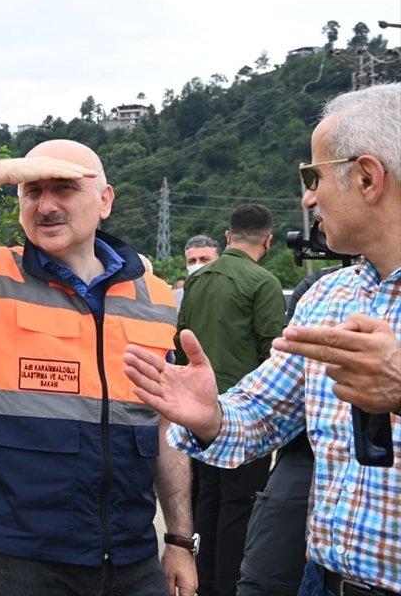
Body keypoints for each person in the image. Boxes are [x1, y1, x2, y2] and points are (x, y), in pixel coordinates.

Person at [0, 139, 197, 596]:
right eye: (32, 191)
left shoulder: (153, 297)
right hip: (16, 559)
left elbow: (165, 428)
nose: (46, 205)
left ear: (104, 200)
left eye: (64, 188)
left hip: (130, 557)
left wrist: (178, 540)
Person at [124, 82, 401, 596]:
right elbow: (265, 410)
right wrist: (211, 415)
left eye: (313, 176)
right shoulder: (328, 296)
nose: (307, 197)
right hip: (323, 580)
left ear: (367, 177)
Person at [176, 205, 285, 596]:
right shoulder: (264, 283)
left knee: (207, 500)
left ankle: (202, 584)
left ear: (227, 237)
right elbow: (277, 357)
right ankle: (227, 588)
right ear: (268, 241)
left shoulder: (196, 282)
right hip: (247, 418)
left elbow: (180, 342)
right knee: (239, 508)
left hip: (200, 413)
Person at [236, 266, 341, 596]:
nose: (308, 209)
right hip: (297, 476)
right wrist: (213, 415)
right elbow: (269, 400)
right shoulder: (322, 291)